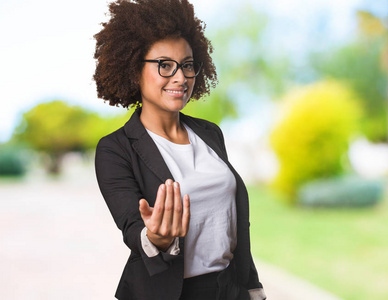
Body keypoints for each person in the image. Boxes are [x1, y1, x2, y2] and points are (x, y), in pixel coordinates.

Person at [93, 1, 266, 299]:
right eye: (164, 65)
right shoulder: (115, 149)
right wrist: (156, 238)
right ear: (134, 70)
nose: (180, 77)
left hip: (228, 289)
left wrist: (252, 287)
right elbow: (133, 229)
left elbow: (236, 222)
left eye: (187, 65)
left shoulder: (210, 133)